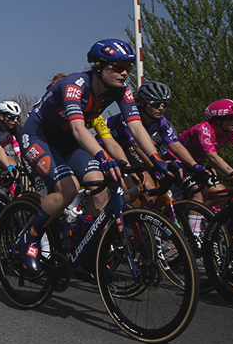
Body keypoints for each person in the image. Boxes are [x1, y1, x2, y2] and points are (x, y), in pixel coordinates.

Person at [16, 38, 180, 272]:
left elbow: (136, 127)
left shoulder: (122, 91)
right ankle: (30, 237)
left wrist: (157, 159)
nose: (125, 73)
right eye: (118, 67)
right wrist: (102, 156)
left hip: (68, 142)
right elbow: (78, 128)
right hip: (39, 137)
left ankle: (81, 242)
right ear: (98, 66)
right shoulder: (74, 83)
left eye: (128, 68)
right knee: (69, 188)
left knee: (101, 188)